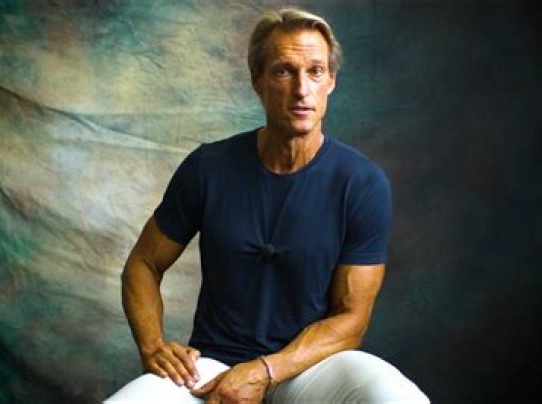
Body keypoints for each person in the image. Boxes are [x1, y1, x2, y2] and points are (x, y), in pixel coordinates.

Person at [106, 7, 429, 403]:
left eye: (315, 71)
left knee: (396, 396)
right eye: (283, 71)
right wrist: (152, 346)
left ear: (331, 81)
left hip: (312, 370)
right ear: (257, 80)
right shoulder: (208, 167)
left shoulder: (362, 183)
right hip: (212, 368)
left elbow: (351, 319)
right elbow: (143, 263)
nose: (301, 89)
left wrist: (264, 370)